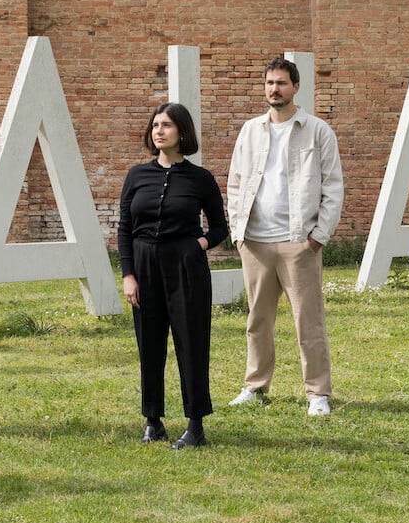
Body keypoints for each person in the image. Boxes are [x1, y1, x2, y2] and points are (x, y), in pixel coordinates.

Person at [226, 57, 344, 415]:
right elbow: (235, 181)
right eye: (269, 83)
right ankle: (255, 385)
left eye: (281, 83)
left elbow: (333, 188)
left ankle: (318, 393)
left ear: (295, 87)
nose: (274, 89)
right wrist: (237, 233)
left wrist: (317, 237)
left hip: (298, 242)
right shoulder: (251, 130)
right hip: (255, 242)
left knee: (308, 321)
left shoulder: (317, 130)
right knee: (257, 320)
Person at [117, 102, 229, 449]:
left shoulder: (200, 178)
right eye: (155, 126)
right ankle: (154, 421)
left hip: (186, 268)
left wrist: (199, 244)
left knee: (191, 344)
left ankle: (195, 425)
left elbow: (220, 227)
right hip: (144, 265)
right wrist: (128, 275)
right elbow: (124, 228)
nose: (159, 131)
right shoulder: (136, 175)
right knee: (149, 344)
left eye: (166, 125)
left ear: (182, 132)